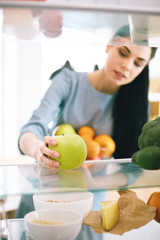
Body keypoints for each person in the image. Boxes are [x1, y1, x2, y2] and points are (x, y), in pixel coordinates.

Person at [16, 25, 157, 219]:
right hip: (47, 192)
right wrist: (39, 151)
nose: (128, 66)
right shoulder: (67, 81)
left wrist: (91, 183)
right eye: (124, 53)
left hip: (90, 204)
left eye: (138, 63)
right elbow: (32, 129)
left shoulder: (137, 107)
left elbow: (132, 171)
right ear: (109, 46)